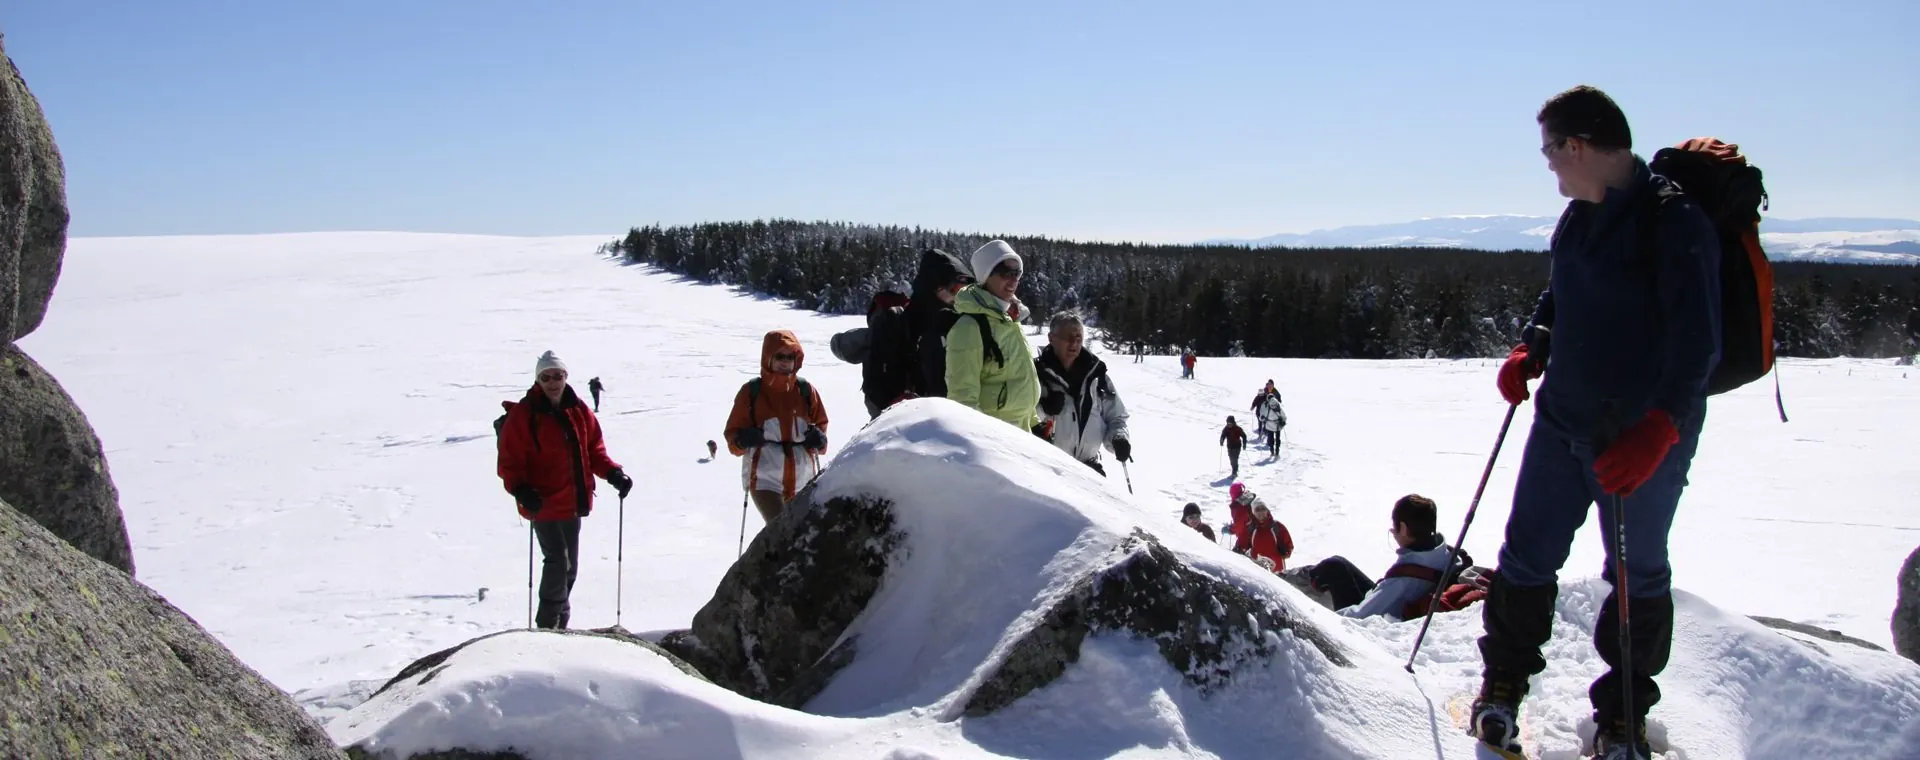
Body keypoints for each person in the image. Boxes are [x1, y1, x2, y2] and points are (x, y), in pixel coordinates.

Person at [1469, 85, 1722, 760]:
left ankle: (1623, 718)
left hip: (1639, 439)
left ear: (1577, 146)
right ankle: (1503, 685)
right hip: (1562, 421)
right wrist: (1533, 345)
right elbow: (1563, 293)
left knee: (1637, 574)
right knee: (1526, 556)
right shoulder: (1580, 216)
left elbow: (1700, 344)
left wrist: (1660, 429)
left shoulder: (1674, 222)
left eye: (1551, 152)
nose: (1548, 165)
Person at [496, 350, 632, 630]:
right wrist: (521, 490)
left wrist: (613, 473)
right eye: (546, 377)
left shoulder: (578, 409)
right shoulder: (525, 414)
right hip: (542, 504)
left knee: (569, 568)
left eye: (558, 376)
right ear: (538, 380)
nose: (553, 382)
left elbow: (593, 449)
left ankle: (560, 624)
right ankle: (548, 625)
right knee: (558, 561)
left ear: (566, 377)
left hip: (572, 501)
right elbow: (510, 461)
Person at [851, 248, 975, 417]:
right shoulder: (896, 322)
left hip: (948, 420)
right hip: (903, 425)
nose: (957, 297)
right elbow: (876, 382)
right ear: (934, 287)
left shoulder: (956, 323)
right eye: (954, 289)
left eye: (964, 290)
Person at [725, 330, 831, 524]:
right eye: (780, 356)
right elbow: (732, 436)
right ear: (768, 358)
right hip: (765, 479)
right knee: (780, 529)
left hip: (803, 479)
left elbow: (821, 427)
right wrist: (742, 440)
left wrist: (820, 440)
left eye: (790, 357)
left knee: (801, 535)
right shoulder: (752, 392)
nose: (785, 362)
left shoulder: (806, 390)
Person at [1309, 494, 1461, 620]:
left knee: (1333, 567)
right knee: (1337, 564)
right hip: (1398, 598)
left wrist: (1322, 619)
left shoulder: (1401, 581)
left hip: (1378, 615)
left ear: (1403, 528)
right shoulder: (1447, 555)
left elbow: (1359, 616)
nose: (1393, 532)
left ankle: (1297, 599)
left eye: (1395, 527)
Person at [945, 240, 1041, 431]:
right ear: (986, 276)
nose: (1014, 280)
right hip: (997, 442)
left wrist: (1033, 422)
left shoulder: (1010, 320)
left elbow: (1018, 381)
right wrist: (987, 446)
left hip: (1022, 435)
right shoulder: (969, 328)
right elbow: (963, 401)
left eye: (1017, 273)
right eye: (1006, 273)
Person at [1035, 310, 1131, 475]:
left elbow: (1116, 417)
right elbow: (1017, 415)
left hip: (1089, 471)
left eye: (1078, 338)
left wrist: (1119, 438)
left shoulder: (1097, 377)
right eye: (1068, 338)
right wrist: (1043, 409)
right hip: (1047, 471)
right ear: (1051, 338)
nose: (1074, 343)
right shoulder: (1035, 374)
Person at [1231, 497, 1294, 573]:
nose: (1261, 512)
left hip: (1278, 569)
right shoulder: (1250, 528)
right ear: (1253, 512)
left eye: (1263, 509)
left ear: (1267, 511)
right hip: (1257, 569)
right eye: (1257, 510)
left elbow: (1288, 544)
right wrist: (1238, 550)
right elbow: (1242, 544)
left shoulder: (1276, 526)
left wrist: (1285, 551)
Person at [1258, 391, 1286, 458]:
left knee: (1270, 439)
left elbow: (1262, 416)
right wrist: (1283, 421)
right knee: (1277, 439)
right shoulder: (1278, 405)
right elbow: (1283, 415)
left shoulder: (1267, 405)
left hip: (1269, 425)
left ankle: (1272, 451)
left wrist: (1262, 419)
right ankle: (1277, 451)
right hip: (1277, 425)